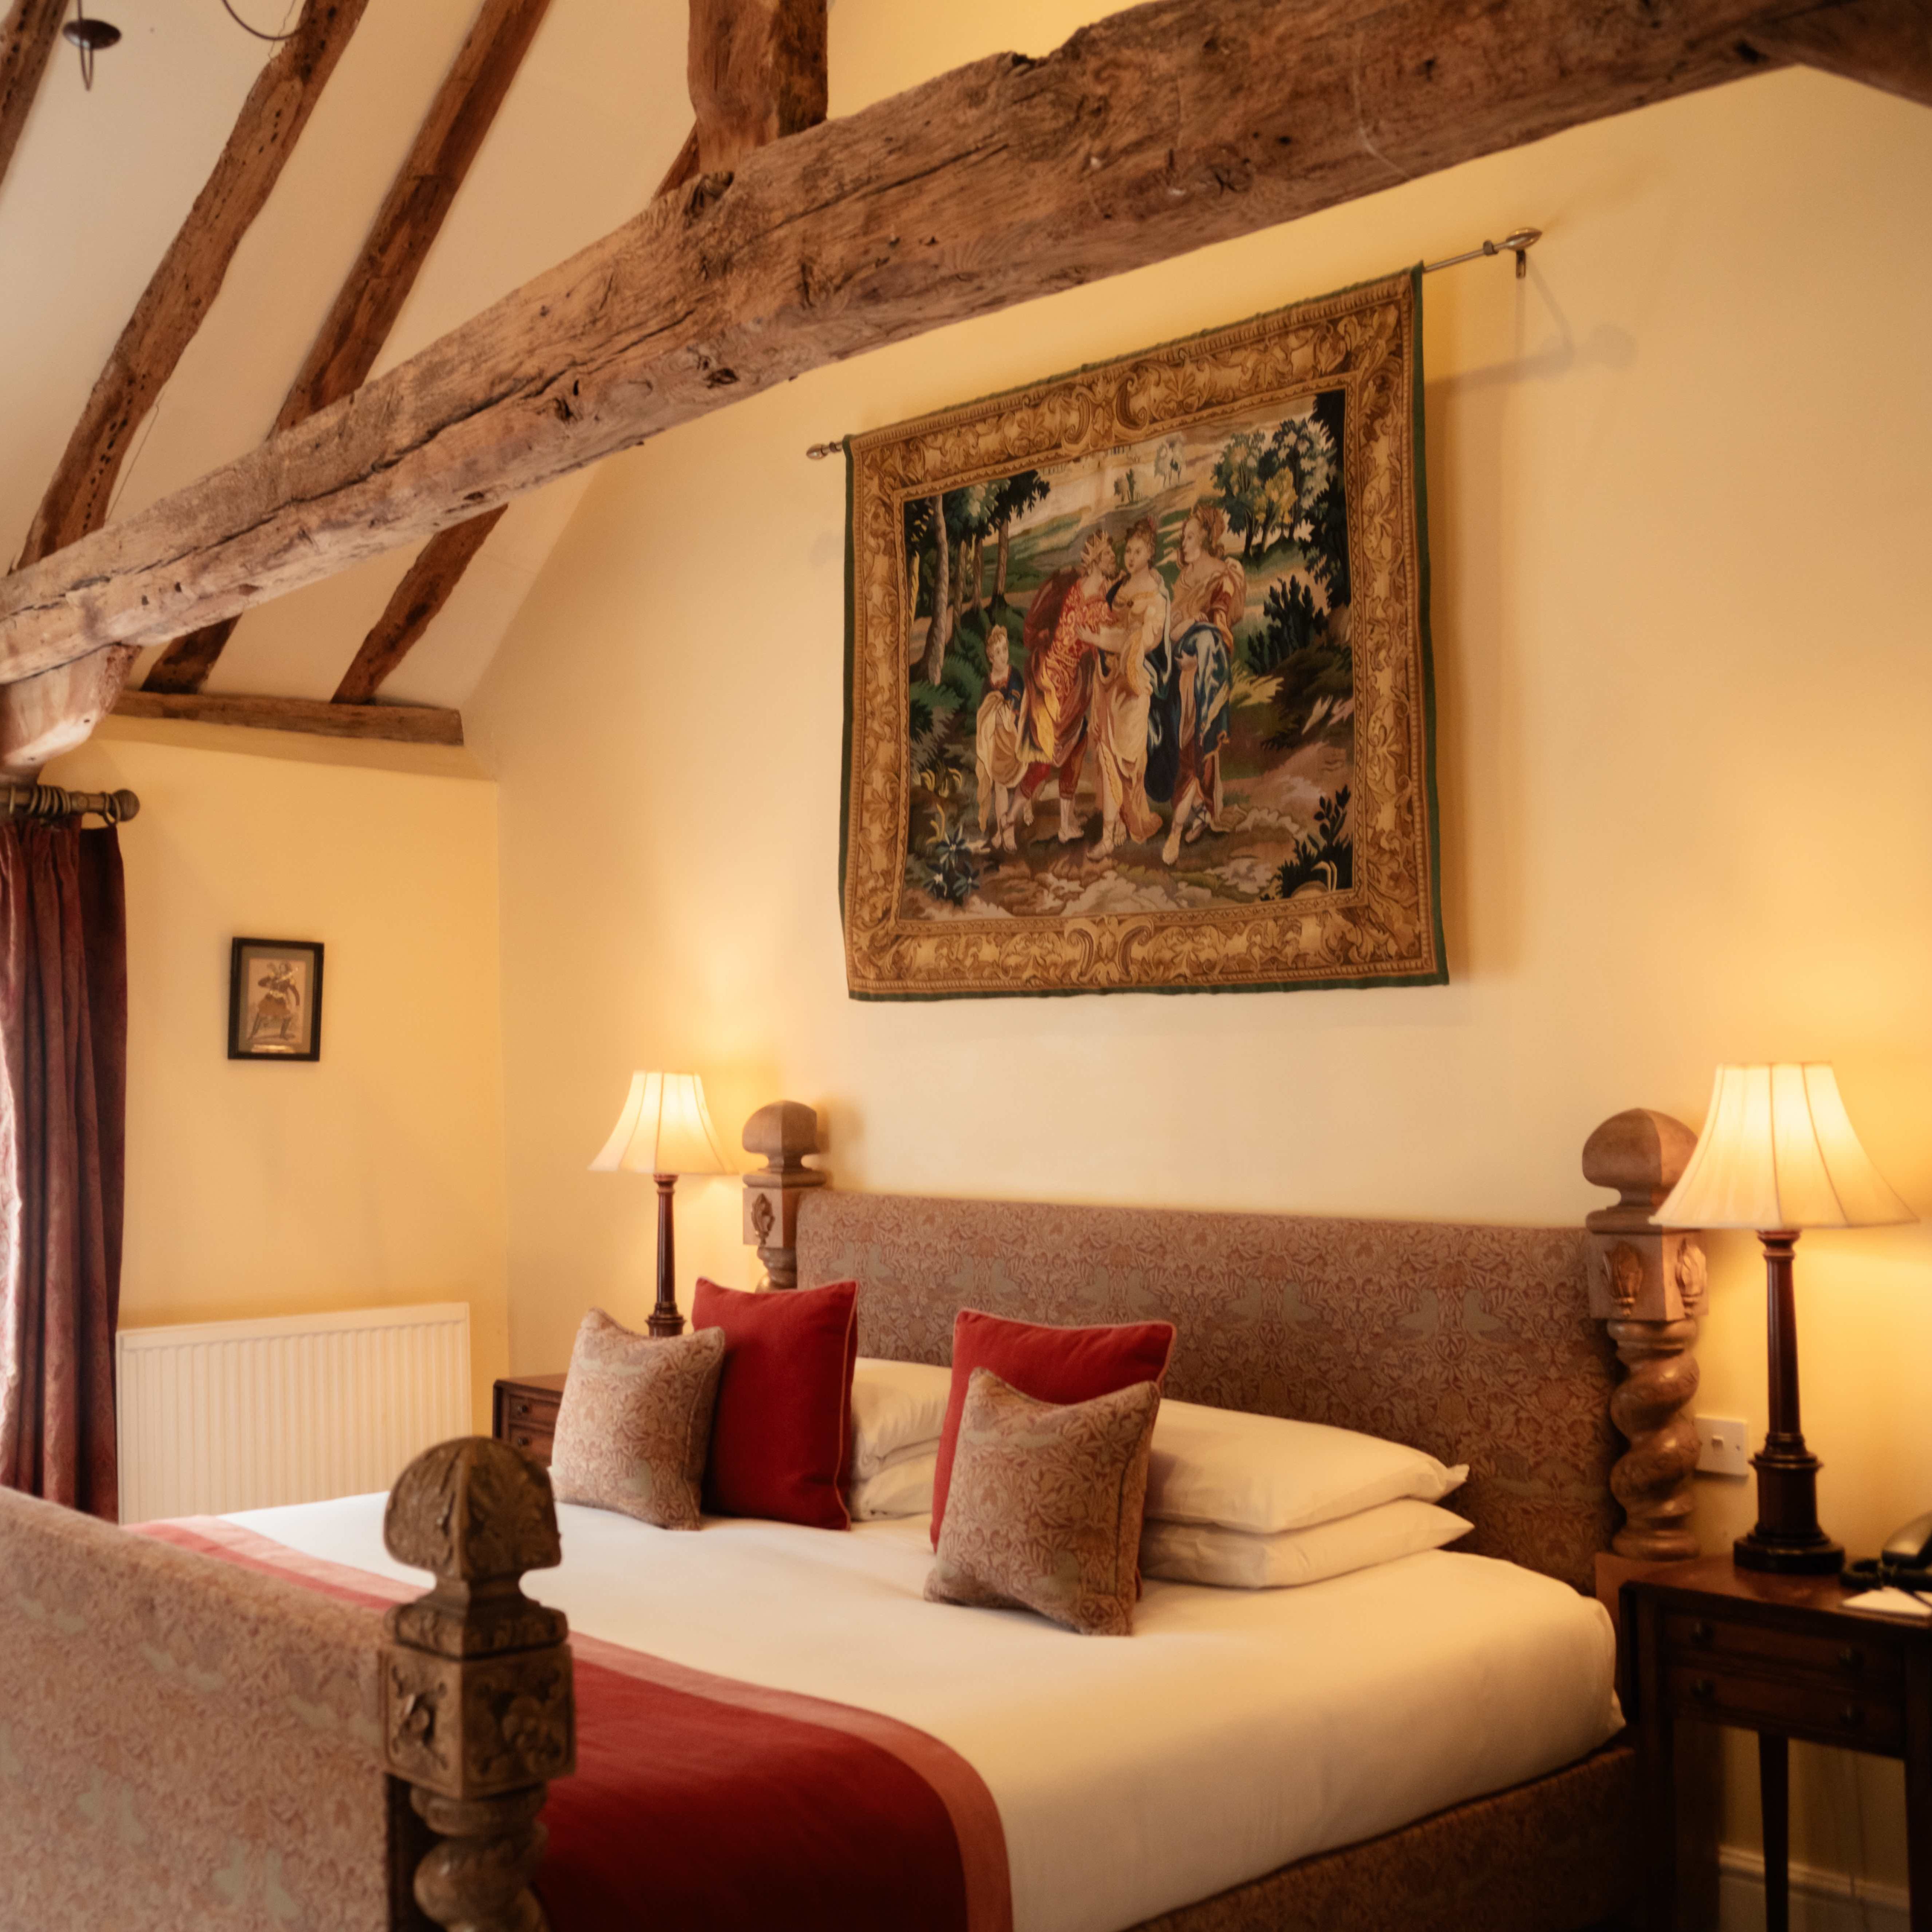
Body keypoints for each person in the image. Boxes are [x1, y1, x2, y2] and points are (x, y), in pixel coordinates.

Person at [1016, 529, 1116, 844]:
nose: (1116, 557)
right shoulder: (1099, 599)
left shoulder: (1080, 587)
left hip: (1053, 672)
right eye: (1111, 554)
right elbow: (1099, 640)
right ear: (1099, 561)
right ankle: (1015, 818)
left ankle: (1064, 821)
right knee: (1051, 756)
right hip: (1062, 683)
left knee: (1073, 745)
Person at [1157, 504, 1243, 865]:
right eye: (1182, 537)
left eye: (1189, 536)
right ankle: (1206, 813)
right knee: (1183, 753)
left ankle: (1176, 832)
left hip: (1203, 678)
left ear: (1206, 539)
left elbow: (1219, 634)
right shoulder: (1181, 579)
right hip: (1178, 678)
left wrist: (1196, 653)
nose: (1183, 542)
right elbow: (1170, 629)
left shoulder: (1221, 577)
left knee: (1198, 751)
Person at [1088, 519, 1166, 858]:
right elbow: (1104, 617)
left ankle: (1126, 820)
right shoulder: (1118, 588)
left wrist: (1098, 638)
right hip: (1109, 681)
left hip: (1135, 684)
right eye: (1128, 551)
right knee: (1107, 754)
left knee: (1128, 760)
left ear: (1150, 553)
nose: (1130, 556)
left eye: (1138, 551)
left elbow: (1146, 640)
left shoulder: (1156, 594)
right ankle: (1110, 833)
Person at [972, 624, 1029, 852]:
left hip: (1013, 736)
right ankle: (1004, 831)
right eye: (998, 653)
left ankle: (1010, 827)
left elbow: (1017, 698)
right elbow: (985, 711)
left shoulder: (1013, 675)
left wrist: (1007, 713)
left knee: (1016, 779)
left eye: (1005, 650)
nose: (1004, 656)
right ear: (990, 658)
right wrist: (995, 717)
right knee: (1000, 786)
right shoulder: (988, 683)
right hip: (997, 741)